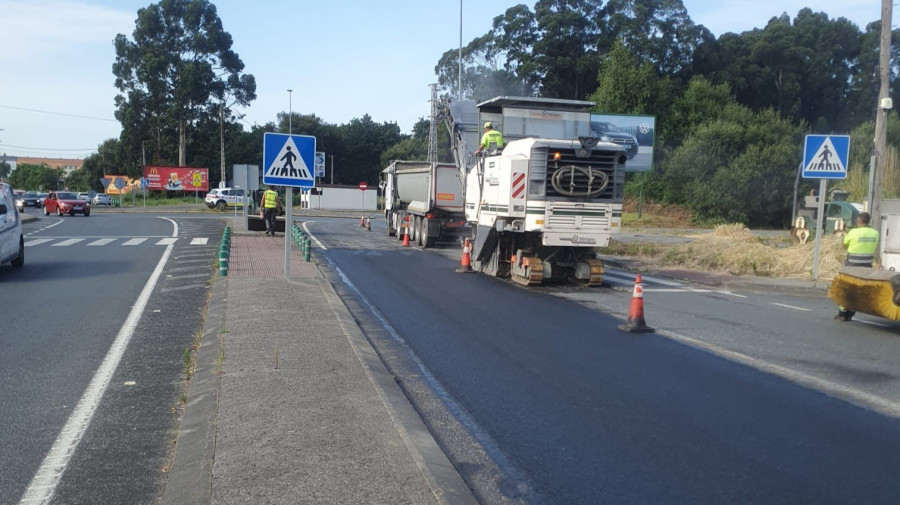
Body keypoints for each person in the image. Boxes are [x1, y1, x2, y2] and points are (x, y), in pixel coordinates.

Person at [835, 211, 880, 321]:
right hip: (867, 266)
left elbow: (845, 243)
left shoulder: (853, 232)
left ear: (859, 221)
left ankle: (842, 313)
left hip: (852, 266)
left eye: (856, 221)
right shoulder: (875, 233)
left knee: (845, 288)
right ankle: (851, 312)